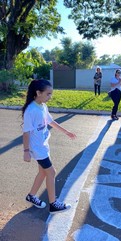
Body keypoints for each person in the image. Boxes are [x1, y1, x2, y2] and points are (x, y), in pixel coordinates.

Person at [22, 79, 76, 214]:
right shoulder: (31, 110)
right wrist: (26, 151)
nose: (50, 97)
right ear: (38, 92)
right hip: (37, 148)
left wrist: (66, 132)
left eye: (51, 94)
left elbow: (50, 121)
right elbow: (26, 132)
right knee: (51, 172)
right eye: (48, 94)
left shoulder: (42, 106)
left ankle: (31, 196)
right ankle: (53, 204)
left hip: (43, 145)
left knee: (42, 172)